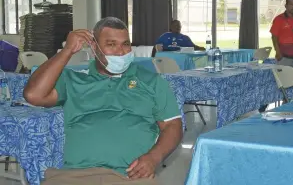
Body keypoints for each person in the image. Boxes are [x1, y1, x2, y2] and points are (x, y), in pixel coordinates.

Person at [24, 17, 183, 185]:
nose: (121, 52)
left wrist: (153, 158)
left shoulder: (152, 81)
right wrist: (67, 51)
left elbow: (173, 125)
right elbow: (34, 95)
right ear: (94, 48)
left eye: (126, 44)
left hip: (130, 176)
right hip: (75, 176)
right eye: (112, 44)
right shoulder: (74, 80)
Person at [270, 0, 293, 71]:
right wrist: (278, 52)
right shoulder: (279, 19)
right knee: (283, 81)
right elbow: (274, 37)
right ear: (286, 6)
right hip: (283, 57)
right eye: (291, 4)